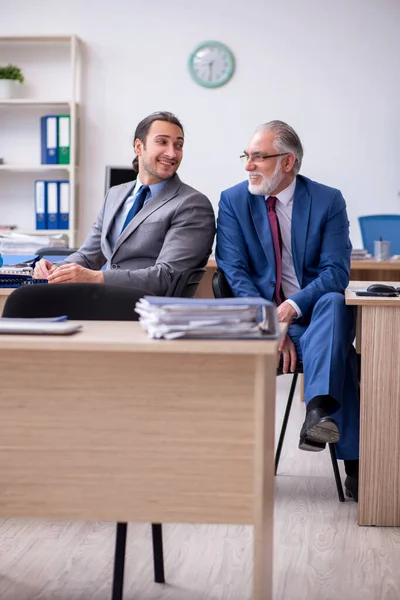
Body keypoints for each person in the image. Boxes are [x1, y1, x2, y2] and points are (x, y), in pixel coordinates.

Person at [216, 120, 359, 501]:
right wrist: (269, 321)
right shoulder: (232, 201)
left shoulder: (328, 200)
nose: (249, 165)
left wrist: (290, 310)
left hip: (316, 319)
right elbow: (234, 271)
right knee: (345, 358)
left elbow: (335, 273)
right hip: (265, 323)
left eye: (259, 157)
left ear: (288, 162)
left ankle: (317, 412)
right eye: (247, 156)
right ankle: (346, 449)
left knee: (333, 301)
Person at [34, 111, 215, 295]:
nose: (172, 153)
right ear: (138, 147)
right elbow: (88, 256)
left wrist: (96, 278)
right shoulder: (115, 194)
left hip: (149, 311)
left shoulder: (192, 205)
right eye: (162, 142)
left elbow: (168, 276)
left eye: (179, 145)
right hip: (104, 301)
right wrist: (55, 269)